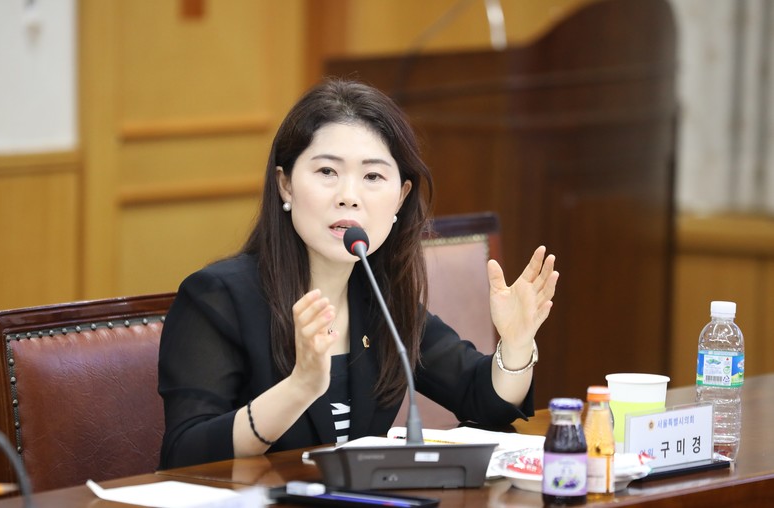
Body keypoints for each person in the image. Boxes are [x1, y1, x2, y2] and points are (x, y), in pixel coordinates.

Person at [158, 78, 559, 469]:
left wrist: (516, 344)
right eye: (327, 172)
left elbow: (482, 398)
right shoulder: (217, 297)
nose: (348, 196)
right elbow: (186, 453)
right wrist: (299, 387)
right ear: (285, 185)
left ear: (400, 197)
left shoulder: (379, 298)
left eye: (372, 177)